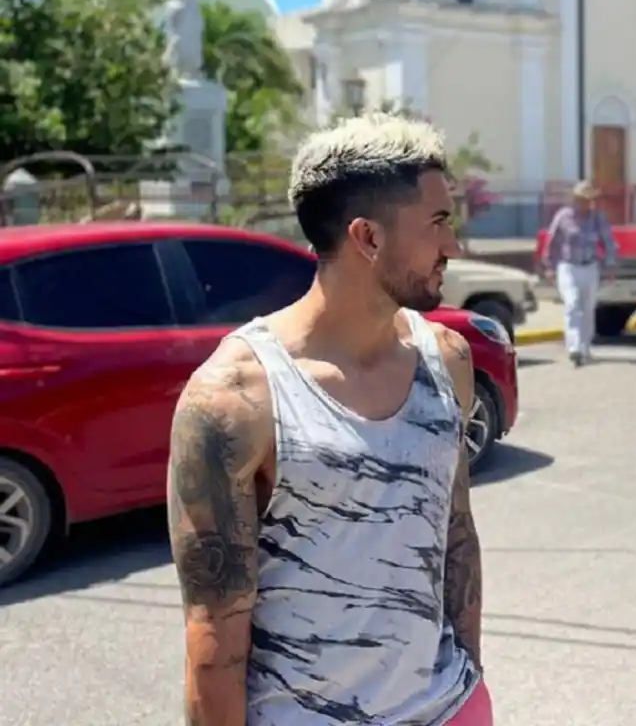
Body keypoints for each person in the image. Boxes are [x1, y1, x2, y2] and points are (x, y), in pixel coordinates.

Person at [166, 113, 492, 726]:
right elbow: (214, 632)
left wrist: (471, 685)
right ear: (367, 238)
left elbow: (455, 533)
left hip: (450, 708)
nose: (453, 245)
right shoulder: (237, 396)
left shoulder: (447, 361)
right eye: (439, 223)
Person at [542, 179, 617, 366]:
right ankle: (574, 347)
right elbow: (553, 242)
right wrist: (549, 266)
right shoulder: (563, 217)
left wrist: (610, 265)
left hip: (590, 267)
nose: (584, 203)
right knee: (572, 304)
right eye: (580, 199)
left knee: (588, 308)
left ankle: (585, 346)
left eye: (587, 200)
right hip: (568, 267)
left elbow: (608, 242)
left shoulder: (597, 218)